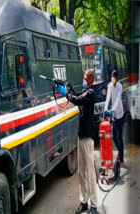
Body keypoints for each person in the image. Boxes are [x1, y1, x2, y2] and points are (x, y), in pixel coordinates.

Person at [57, 69, 98, 214]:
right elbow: (76, 96)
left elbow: (78, 99)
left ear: (90, 80)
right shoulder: (84, 92)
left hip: (88, 138)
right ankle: (84, 201)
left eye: (85, 78)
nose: (83, 80)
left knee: (90, 173)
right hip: (81, 137)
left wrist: (66, 94)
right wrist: (67, 90)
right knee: (81, 172)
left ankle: (94, 205)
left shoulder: (91, 93)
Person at [104, 70, 125, 167]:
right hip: (113, 116)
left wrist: (112, 109)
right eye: (111, 76)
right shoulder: (110, 86)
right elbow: (108, 97)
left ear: (117, 78)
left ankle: (121, 160)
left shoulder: (120, 86)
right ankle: (119, 153)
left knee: (120, 138)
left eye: (114, 77)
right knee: (113, 136)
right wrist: (105, 109)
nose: (112, 78)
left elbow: (117, 100)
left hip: (119, 114)